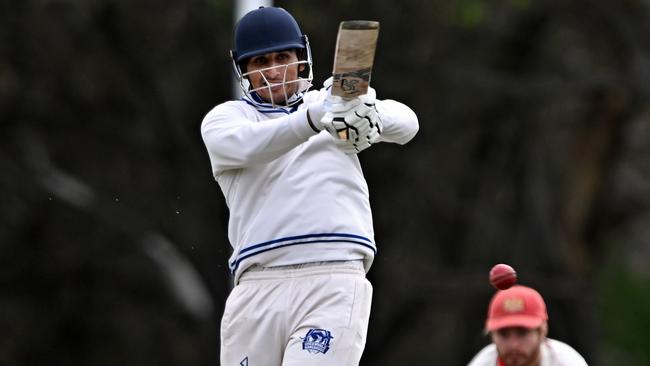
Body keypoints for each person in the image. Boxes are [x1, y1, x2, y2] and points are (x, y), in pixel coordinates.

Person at [200, 6, 418, 366]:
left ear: (301, 59)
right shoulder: (227, 119)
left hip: (333, 277)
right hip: (256, 286)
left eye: (282, 57)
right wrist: (314, 119)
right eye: (260, 62)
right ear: (244, 71)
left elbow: (409, 124)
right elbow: (251, 143)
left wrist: (367, 112)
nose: (273, 70)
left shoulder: (329, 104)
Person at [467, 285, 588, 366]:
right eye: (503, 334)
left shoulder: (567, 362)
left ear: (542, 331)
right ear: (493, 336)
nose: (513, 344)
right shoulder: (483, 363)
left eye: (522, 333)